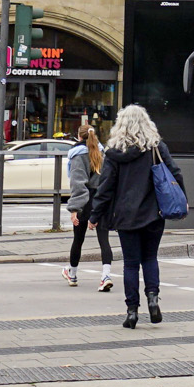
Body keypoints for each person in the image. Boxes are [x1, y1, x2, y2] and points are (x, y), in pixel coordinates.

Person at [88, 104, 186, 330]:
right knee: (150, 258)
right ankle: (153, 299)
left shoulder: (113, 153)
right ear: (146, 123)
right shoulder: (156, 147)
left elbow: (106, 188)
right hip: (153, 214)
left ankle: (132, 312)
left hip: (125, 216)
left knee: (131, 264)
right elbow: (175, 173)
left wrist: (94, 216)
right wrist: (183, 199)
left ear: (120, 125)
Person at [63, 118, 115, 290]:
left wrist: (74, 209)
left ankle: (73, 275)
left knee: (78, 239)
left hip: (85, 201)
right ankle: (105, 276)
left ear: (78, 137)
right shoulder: (102, 154)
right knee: (104, 239)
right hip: (102, 200)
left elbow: (79, 184)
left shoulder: (78, 156)